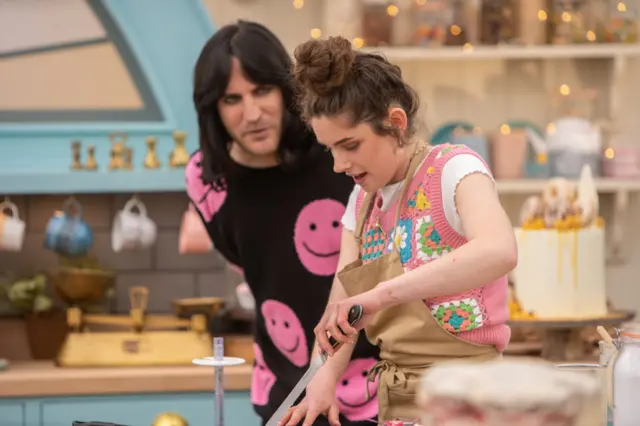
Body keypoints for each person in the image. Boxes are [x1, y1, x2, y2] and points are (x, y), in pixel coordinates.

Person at [280, 36, 517, 425]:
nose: (339, 164)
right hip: (400, 406)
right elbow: (340, 314)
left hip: (472, 402)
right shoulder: (361, 204)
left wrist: (377, 297)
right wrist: (321, 381)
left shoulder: (454, 171)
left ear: (395, 123)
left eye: (350, 145)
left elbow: (499, 250)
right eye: (330, 150)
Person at [185, 21, 381, 426]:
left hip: (374, 389)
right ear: (212, 109)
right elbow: (251, 264)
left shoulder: (336, 152)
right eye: (231, 99)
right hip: (285, 398)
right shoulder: (207, 182)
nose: (252, 114)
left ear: (286, 89)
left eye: (262, 91)